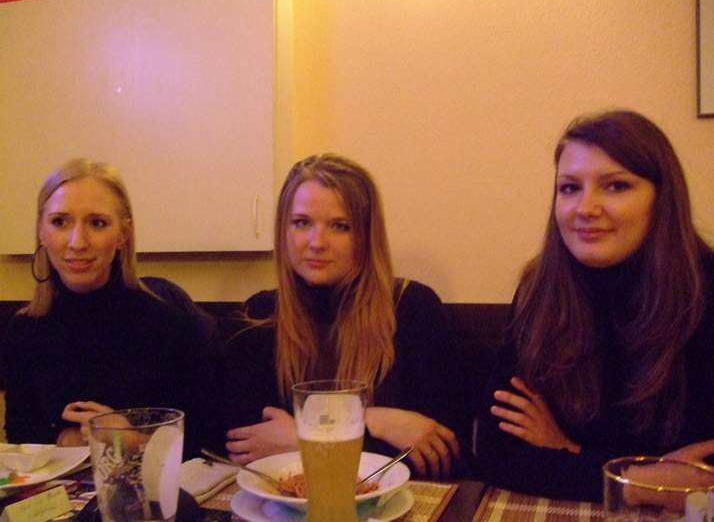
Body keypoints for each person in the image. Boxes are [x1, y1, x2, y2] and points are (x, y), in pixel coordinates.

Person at [476, 110, 714, 501]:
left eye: (616, 186)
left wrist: (566, 450)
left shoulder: (705, 290)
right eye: (570, 188)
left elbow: (701, 477)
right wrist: (639, 481)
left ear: (662, 198)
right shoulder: (541, 289)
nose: (585, 207)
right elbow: (497, 455)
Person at [218, 154, 469, 478]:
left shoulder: (413, 308)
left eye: (340, 226)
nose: (317, 242)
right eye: (302, 222)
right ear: (283, 231)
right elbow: (246, 447)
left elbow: (438, 455)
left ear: (366, 235)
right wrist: (372, 421)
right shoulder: (257, 317)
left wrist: (301, 439)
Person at [1, 159, 213, 456]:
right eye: (60, 222)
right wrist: (67, 438)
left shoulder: (172, 327)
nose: (77, 242)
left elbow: (206, 442)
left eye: (97, 223)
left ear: (123, 234)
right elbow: (20, 433)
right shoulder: (23, 331)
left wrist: (134, 440)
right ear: (41, 232)